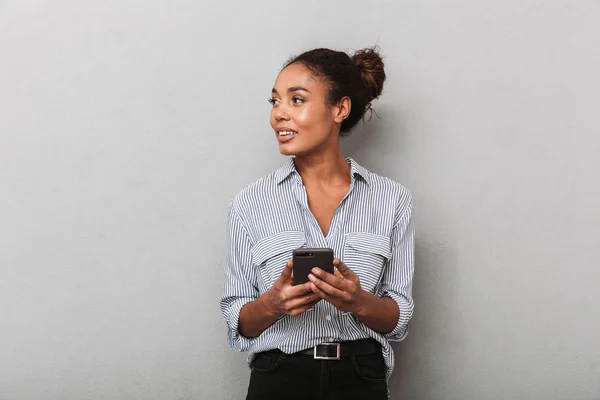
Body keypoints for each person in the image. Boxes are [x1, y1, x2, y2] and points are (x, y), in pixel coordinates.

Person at [220, 46, 415, 400]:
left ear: (339, 109)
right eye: (275, 101)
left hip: (361, 378)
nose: (279, 114)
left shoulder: (392, 200)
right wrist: (272, 305)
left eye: (296, 100)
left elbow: (397, 318)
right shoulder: (249, 203)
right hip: (278, 377)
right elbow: (238, 318)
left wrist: (358, 301)